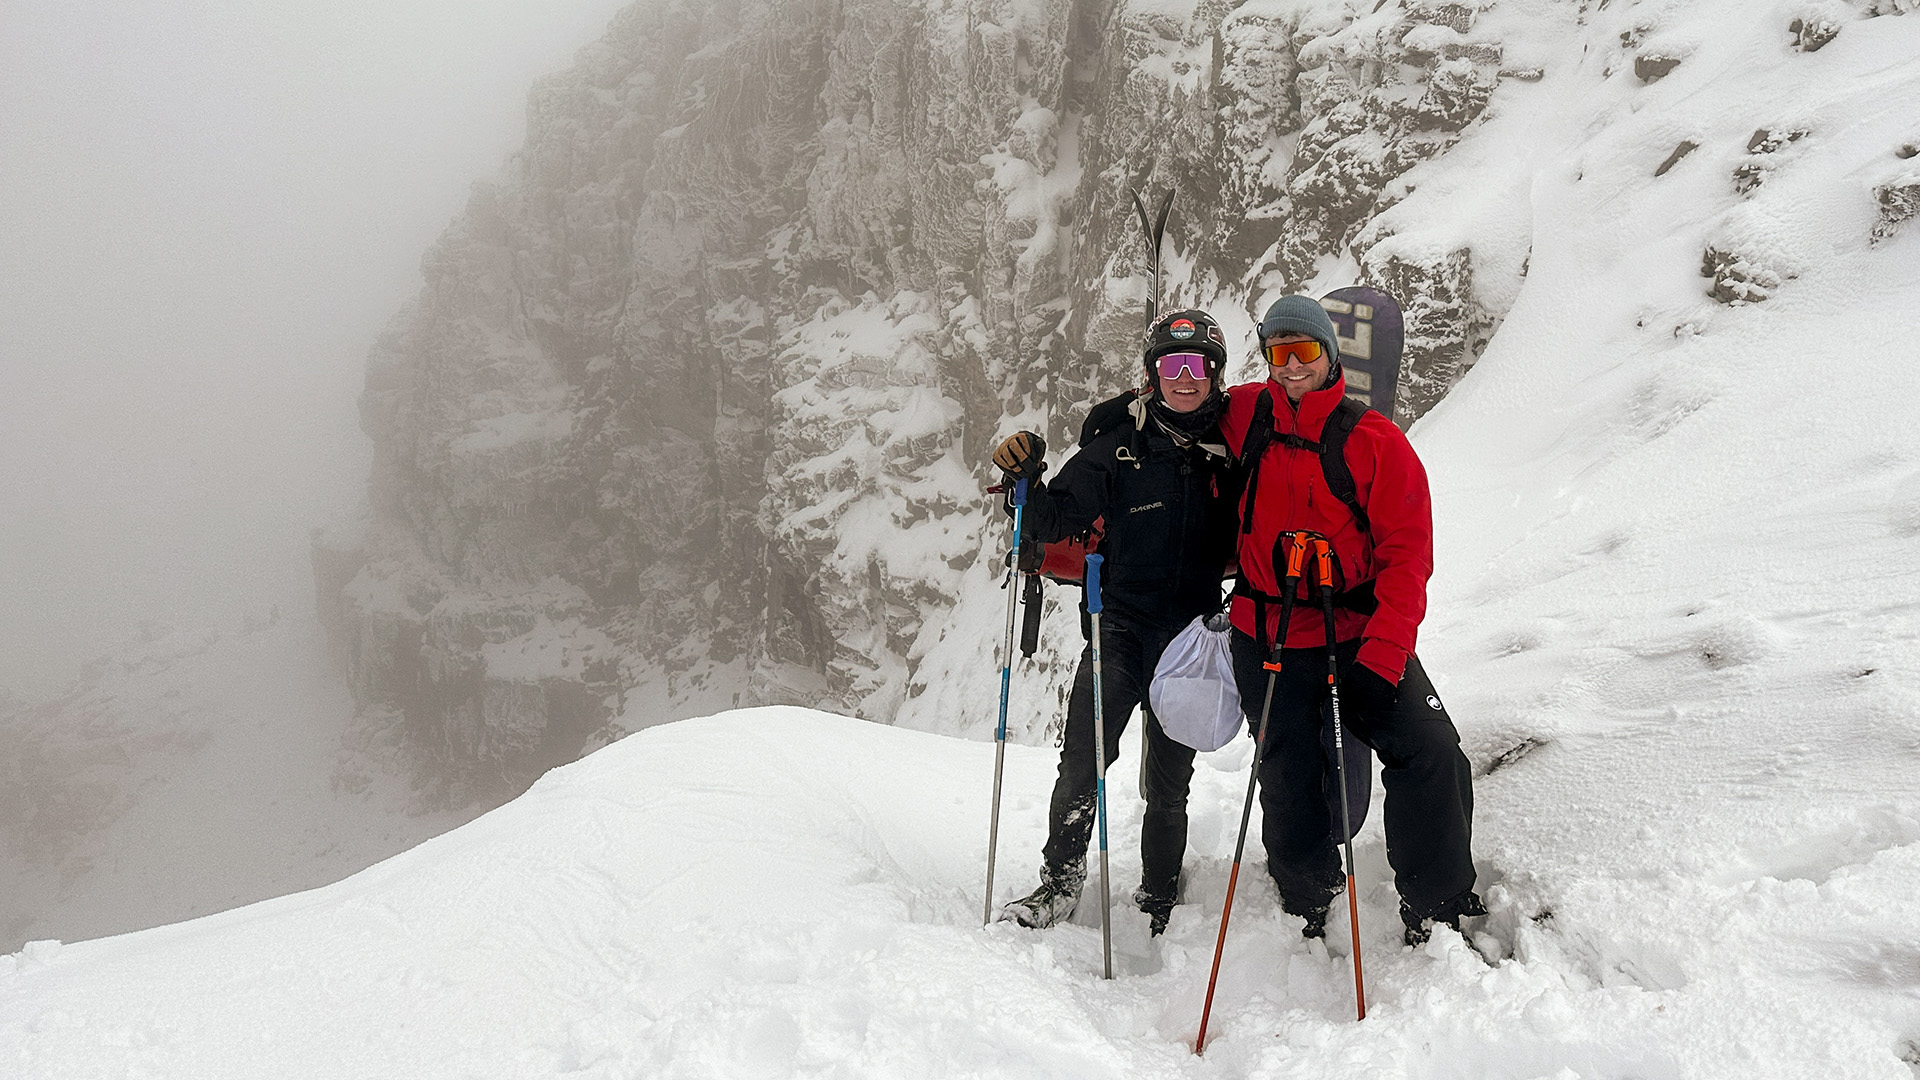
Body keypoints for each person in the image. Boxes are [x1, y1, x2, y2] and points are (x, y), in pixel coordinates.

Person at [1218, 294, 1482, 946]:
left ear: (1328, 355)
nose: (1291, 366)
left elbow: (1406, 559)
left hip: (1357, 635)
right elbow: (1179, 406)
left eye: (1304, 351)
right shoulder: (1246, 416)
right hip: (1267, 633)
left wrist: (1383, 657)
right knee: (1287, 769)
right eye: (1279, 352)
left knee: (1430, 752)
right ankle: (1310, 896)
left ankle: (1439, 903)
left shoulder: (1375, 443)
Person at [989, 309, 1242, 936]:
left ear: (1215, 373)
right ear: (1153, 374)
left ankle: (1159, 892)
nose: (1183, 379)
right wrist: (1025, 474)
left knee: (1170, 777)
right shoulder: (1120, 448)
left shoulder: (1232, 456)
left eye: (1196, 366)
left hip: (1191, 639)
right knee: (1083, 759)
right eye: (1169, 365)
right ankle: (1061, 883)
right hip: (1120, 627)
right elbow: (1052, 520)